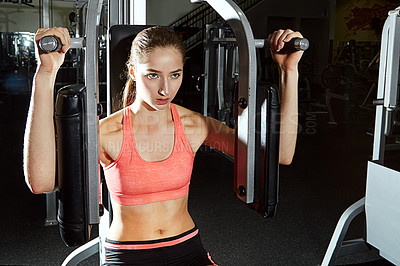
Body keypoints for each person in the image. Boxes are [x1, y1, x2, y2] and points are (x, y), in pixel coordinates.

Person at [23, 26, 303, 265]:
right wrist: (45, 74)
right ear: (133, 71)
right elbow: (41, 181)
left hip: (188, 249)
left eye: (175, 75)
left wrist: (289, 71)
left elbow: (280, 155)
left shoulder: (195, 126)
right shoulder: (107, 132)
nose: (165, 90)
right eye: (153, 75)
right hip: (129, 256)